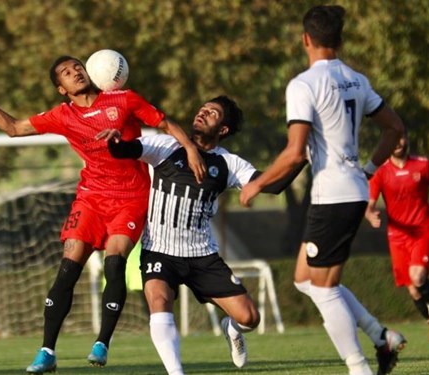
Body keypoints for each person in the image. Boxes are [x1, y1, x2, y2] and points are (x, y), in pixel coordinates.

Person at [0, 55, 207, 374]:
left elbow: (165, 123)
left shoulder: (123, 99)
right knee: (69, 266)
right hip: (91, 197)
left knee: (115, 263)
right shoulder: (62, 116)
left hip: (130, 196)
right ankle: (47, 351)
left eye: (77, 67)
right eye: (66, 73)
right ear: (61, 88)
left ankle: (102, 343)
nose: (75, 72)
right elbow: (13, 128)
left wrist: (192, 149)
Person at [239, 5, 408, 375]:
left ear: (305, 39)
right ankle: (381, 336)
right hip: (349, 190)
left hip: (332, 194)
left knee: (325, 287)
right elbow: (395, 128)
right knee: (304, 279)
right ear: (340, 40)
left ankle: (358, 367)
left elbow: (295, 151)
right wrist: (367, 170)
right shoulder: (357, 79)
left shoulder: (303, 85)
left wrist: (257, 184)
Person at [100, 96, 304, 374]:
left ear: (223, 130)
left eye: (212, 113)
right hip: (159, 249)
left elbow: (273, 185)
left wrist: (302, 157)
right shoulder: (167, 145)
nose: (202, 113)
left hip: (202, 255)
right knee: (159, 301)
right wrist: (114, 141)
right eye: (203, 108)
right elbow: (125, 150)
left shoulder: (228, 163)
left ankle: (230, 329)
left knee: (250, 317)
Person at [365, 132, 429, 347]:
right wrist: (370, 214)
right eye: (394, 139)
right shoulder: (381, 172)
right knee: (412, 288)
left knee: (418, 276)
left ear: (407, 140)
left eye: (401, 138)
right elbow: (370, 204)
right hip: (397, 236)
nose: (398, 143)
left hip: (422, 230)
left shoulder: (423, 166)